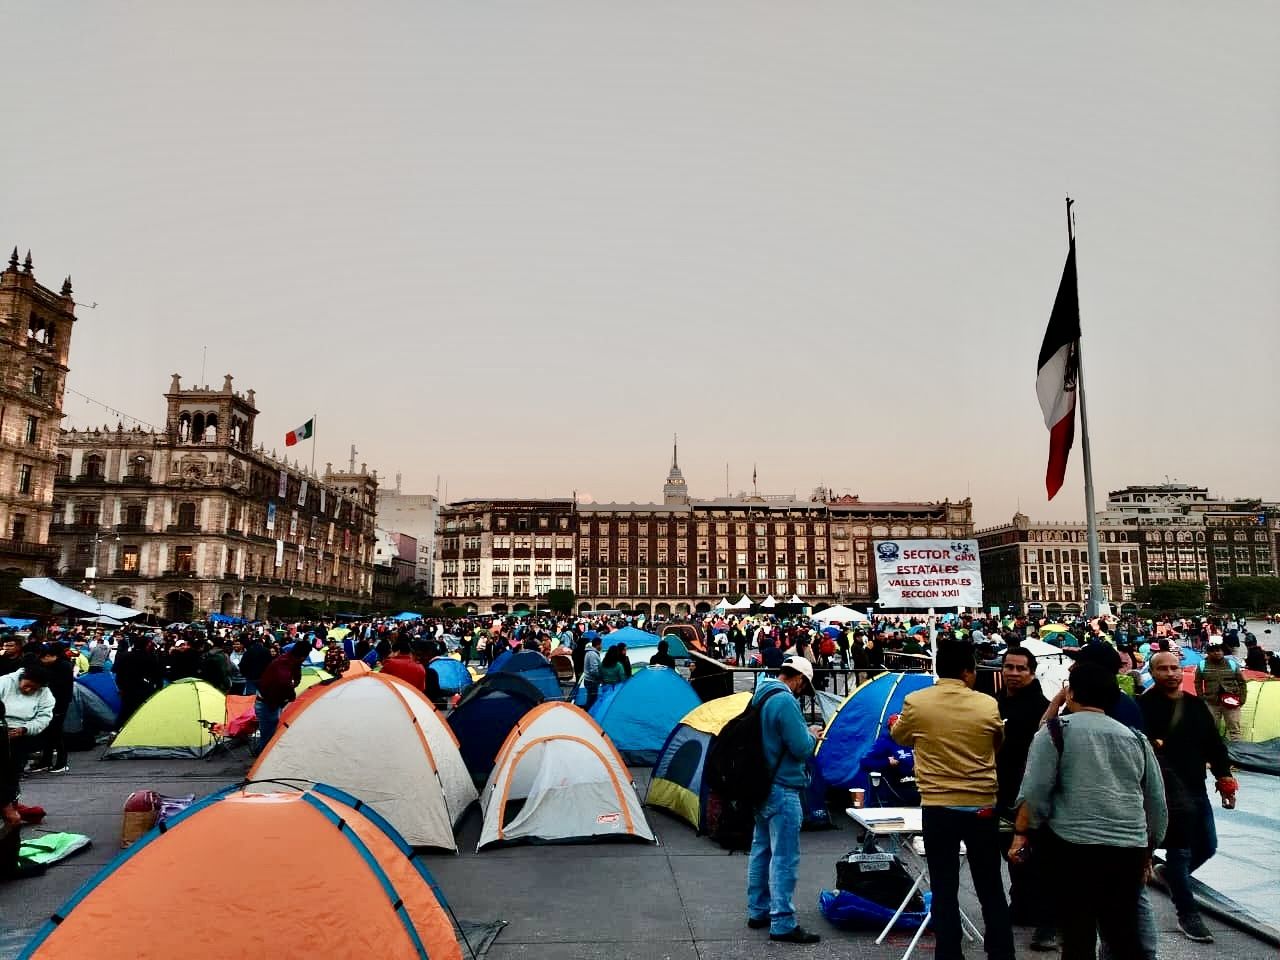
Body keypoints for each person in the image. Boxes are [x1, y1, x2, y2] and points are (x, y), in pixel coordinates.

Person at [1013, 663, 1166, 960]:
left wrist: (1022, 833)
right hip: (1128, 849)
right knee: (1123, 933)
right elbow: (1156, 802)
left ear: (1070, 693)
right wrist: (1149, 848)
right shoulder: (1136, 738)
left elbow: (1034, 792)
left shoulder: (1055, 732)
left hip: (1072, 848)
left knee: (1077, 934)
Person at [891, 639, 1015, 960]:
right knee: (990, 886)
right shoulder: (987, 704)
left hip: (938, 805)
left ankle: (949, 953)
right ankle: (1001, 951)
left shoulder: (916, 702)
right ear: (967, 672)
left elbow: (901, 736)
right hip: (982, 803)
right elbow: (995, 743)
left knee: (944, 887)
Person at [1140, 650, 1237, 944]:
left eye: (1175, 668)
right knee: (1180, 853)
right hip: (1164, 793)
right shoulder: (1143, 707)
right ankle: (1187, 912)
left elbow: (1214, 745)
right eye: (1163, 669)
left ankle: (1170, 876)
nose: (1171, 673)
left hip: (1196, 787)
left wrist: (1225, 778)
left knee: (1207, 846)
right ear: (1153, 673)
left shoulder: (1195, 706)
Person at [746, 655, 823, 945]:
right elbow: (801, 747)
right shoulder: (785, 700)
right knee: (785, 856)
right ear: (799, 679)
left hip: (761, 783)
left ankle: (758, 910)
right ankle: (782, 922)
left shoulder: (760, 694)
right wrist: (812, 734)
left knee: (761, 848)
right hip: (782, 785)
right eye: (805, 685)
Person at [994, 646, 1053, 950]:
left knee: (1032, 853)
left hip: (1029, 794)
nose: (1014, 673)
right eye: (1009, 667)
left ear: (1032, 672)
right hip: (1001, 791)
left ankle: (1044, 916)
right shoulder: (996, 703)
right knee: (1011, 851)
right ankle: (1021, 906)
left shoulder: (1042, 708)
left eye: (1020, 668)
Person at [1, 665, 53, 812]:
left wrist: (25, 729)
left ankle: (11, 806)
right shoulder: (4, 682)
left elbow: (44, 717)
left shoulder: (45, 693)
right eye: (27, 686)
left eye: (34, 689)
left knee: (12, 772)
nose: (29, 690)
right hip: (1, 728)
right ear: (22, 679)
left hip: (21, 733)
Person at [252, 641, 309, 755]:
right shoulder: (283, 663)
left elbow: (292, 679)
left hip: (273, 702)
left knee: (269, 734)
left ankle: (259, 755)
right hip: (267, 703)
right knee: (269, 737)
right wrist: (291, 694)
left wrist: (295, 681)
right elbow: (284, 683)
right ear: (302, 656)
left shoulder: (290, 661)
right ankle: (261, 761)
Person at [31, 644, 73, 774]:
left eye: (43, 658)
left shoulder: (64, 666)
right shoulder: (50, 666)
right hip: (47, 703)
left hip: (59, 703)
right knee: (46, 732)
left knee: (57, 733)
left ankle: (62, 763)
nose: (42, 661)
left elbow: (59, 685)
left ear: (51, 656)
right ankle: (46, 761)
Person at [1194, 639, 1247, 742]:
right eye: (1213, 650)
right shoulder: (1202, 665)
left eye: (1219, 650)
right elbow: (1198, 683)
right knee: (1212, 730)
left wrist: (1242, 699)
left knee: (1234, 730)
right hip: (1211, 702)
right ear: (1208, 652)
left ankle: (1238, 753)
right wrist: (1201, 698)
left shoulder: (1231, 664)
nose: (1217, 653)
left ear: (1223, 651)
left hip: (1232, 702)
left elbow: (1242, 682)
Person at [582, 635, 603, 708]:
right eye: (601, 644)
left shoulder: (590, 652)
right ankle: (589, 714)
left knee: (591, 698)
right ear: (597, 645)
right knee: (592, 700)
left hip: (589, 680)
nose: (601, 646)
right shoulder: (592, 654)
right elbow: (593, 670)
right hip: (591, 681)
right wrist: (600, 678)